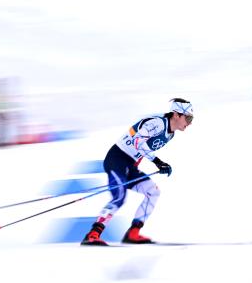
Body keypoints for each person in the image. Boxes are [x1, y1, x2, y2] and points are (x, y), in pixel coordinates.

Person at [80, 98, 194, 246]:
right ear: (176, 114)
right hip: (117, 159)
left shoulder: (170, 134)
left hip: (129, 165)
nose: (190, 122)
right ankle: (93, 234)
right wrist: (158, 162)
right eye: (188, 118)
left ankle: (133, 233)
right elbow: (137, 142)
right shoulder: (158, 123)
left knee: (153, 192)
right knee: (119, 197)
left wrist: (137, 167)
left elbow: (140, 152)